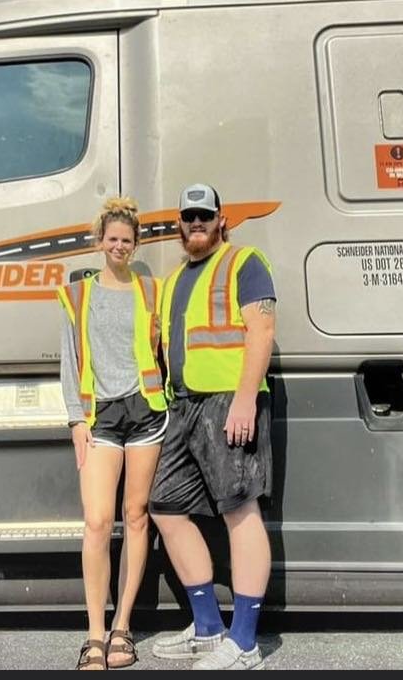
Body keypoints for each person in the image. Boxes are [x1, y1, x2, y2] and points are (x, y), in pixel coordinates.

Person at [148, 183, 276, 671]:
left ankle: (244, 642)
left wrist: (245, 400)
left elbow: (262, 331)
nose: (196, 223)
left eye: (204, 215)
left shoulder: (245, 262)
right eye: (188, 217)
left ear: (221, 219)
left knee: (240, 513)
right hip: (183, 407)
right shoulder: (179, 276)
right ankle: (207, 628)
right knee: (164, 507)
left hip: (229, 404)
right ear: (180, 224)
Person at [57, 197, 169, 670]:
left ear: (135, 243)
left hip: (146, 413)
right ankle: (95, 634)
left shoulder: (152, 290)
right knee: (98, 522)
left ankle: (123, 626)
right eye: (113, 238)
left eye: (127, 239)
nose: (120, 246)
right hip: (100, 417)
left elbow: (163, 350)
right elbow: (68, 360)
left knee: (137, 517)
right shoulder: (78, 294)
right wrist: (75, 419)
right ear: (100, 241)